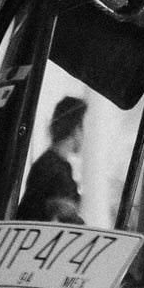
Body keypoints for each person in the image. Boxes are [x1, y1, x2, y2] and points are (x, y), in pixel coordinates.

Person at [21, 95, 86, 224]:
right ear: (76, 129)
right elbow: (30, 210)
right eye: (83, 128)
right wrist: (52, 206)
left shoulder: (62, 166)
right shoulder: (48, 166)